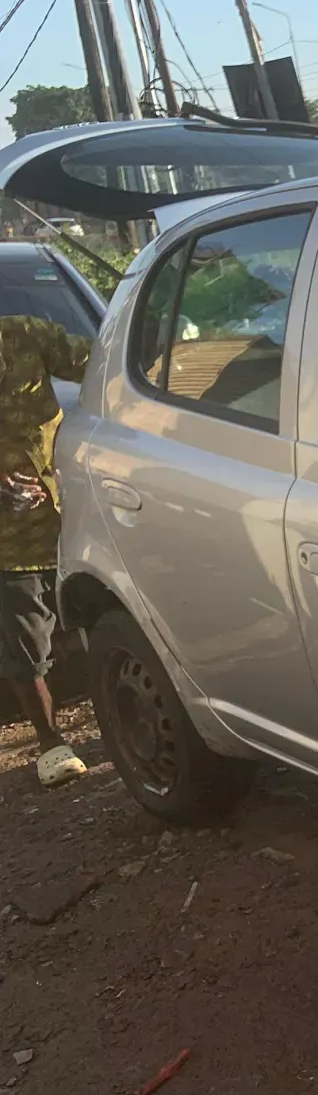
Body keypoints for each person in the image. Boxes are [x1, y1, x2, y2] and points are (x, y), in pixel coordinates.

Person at [0, 315, 90, 787]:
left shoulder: (29, 335)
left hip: (75, 512)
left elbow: (97, 365)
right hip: (10, 539)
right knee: (26, 642)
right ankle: (51, 742)